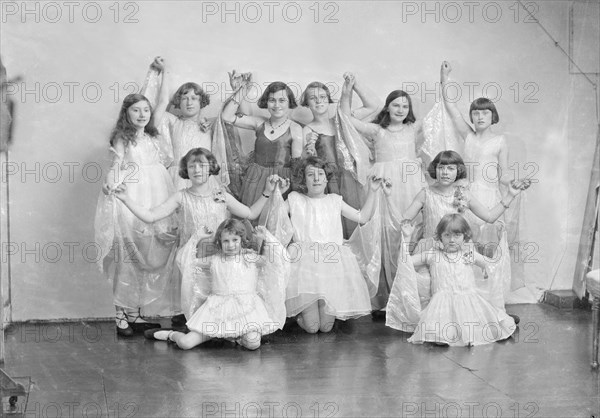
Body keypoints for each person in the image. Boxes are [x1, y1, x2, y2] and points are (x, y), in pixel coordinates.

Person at [113, 147, 289, 324]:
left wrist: (267, 191)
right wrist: (125, 199)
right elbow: (151, 216)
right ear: (186, 170)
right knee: (199, 307)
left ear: (211, 167)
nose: (197, 170)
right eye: (192, 166)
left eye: (202, 166)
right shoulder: (181, 197)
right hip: (194, 260)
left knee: (219, 304)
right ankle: (194, 332)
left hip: (220, 258)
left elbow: (250, 213)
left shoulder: (221, 195)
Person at [390, 150, 530, 311]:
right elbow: (404, 219)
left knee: (464, 284)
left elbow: (490, 216)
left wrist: (510, 195)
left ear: (458, 172)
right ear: (435, 169)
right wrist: (388, 198)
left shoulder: (464, 194)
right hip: (431, 248)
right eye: (441, 167)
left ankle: (464, 316)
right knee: (424, 282)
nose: (445, 172)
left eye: (451, 168)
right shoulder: (425, 194)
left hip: (459, 248)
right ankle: (431, 318)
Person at [440, 61, 527, 307]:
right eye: (476, 113)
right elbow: (451, 108)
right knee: (463, 245)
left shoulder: (500, 141)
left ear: (493, 116)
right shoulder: (467, 135)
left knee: (487, 249)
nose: (479, 117)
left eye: (484, 113)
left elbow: (504, 174)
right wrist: (444, 78)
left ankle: (488, 300)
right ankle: (467, 297)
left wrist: (515, 183)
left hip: (488, 197)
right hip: (466, 196)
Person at [340, 74, 426, 311]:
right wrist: (351, 88)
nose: (400, 109)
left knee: (409, 229)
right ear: (387, 107)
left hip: (410, 183)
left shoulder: (414, 127)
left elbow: (442, 117)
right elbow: (345, 119)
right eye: (396, 104)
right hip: (383, 182)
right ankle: (386, 296)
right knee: (383, 232)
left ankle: (411, 292)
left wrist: (444, 80)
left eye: (405, 105)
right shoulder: (377, 130)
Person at [95, 93, 176, 337]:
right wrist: (110, 185)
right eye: (136, 111)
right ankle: (120, 313)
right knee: (129, 254)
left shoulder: (152, 135)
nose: (142, 115)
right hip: (133, 196)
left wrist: (163, 71)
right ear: (126, 114)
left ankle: (135, 313)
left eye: (145, 111)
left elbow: (163, 101)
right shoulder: (123, 137)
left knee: (148, 251)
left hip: (157, 195)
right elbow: (116, 166)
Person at [144, 219, 289, 351]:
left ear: (242, 240)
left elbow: (277, 262)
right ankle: (171, 335)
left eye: (235, 240)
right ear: (219, 242)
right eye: (226, 241)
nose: (231, 245)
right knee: (186, 344)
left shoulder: (249, 258)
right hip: (216, 312)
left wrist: (266, 238)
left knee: (253, 343)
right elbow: (185, 262)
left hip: (247, 311)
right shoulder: (213, 260)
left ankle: (236, 337)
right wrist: (197, 238)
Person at [284, 156, 385, 333]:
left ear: (326, 178)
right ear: (303, 179)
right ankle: (303, 314)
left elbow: (362, 217)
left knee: (326, 327)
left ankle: (322, 313)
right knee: (313, 328)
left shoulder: (334, 200)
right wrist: (276, 193)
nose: (316, 178)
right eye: (310, 174)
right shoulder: (295, 199)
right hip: (304, 262)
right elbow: (275, 215)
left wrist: (373, 191)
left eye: (320, 174)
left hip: (330, 261)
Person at [389, 214, 516, 346]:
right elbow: (404, 263)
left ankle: (498, 322)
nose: (451, 240)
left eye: (457, 235)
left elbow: (493, 265)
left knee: (483, 328)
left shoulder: (469, 254)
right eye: (447, 235)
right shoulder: (432, 254)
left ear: (465, 237)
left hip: (468, 300)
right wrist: (407, 238)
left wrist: (502, 240)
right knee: (441, 333)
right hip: (441, 304)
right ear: (440, 236)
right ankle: (445, 335)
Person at [300, 78, 380, 236]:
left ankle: (354, 255)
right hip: (329, 182)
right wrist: (309, 152)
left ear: (329, 99)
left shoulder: (342, 120)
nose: (319, 101)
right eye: (313, 98)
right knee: (333, 224)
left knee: (357, 219)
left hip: (350, 178)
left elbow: (373, 106)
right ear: (306, 103)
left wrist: (350, 87)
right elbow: (306, 162)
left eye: (323, 97)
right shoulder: (308, 130)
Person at [222, 75, 303, 205]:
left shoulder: (295, 128)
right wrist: (241, 91)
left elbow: (297, 166)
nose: (276, 105)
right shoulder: (259, 122)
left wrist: (296, 193)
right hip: (255, 179)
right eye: (272, 100)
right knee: (252, 215)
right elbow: (226, 116)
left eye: (282, 100)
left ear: (289, 102)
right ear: (266, 102)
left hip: (281, 181)